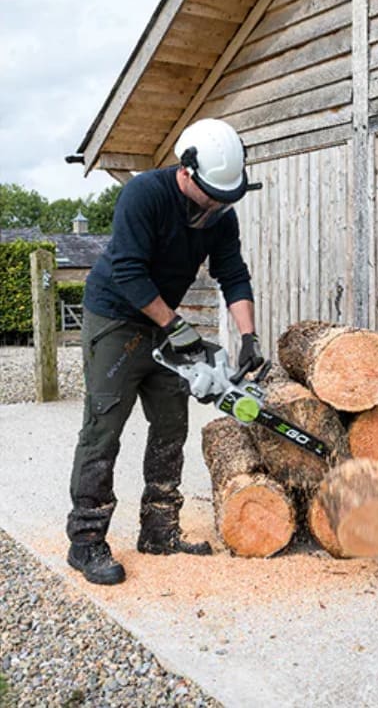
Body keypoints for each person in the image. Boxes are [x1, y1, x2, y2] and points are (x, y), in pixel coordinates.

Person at [66, 118, 264, 585]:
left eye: (226, 198)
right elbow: (131, 272)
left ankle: (159, 529)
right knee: (103, 425)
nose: (218, 205)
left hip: (163, 321)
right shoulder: (143, 196)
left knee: (172, 420)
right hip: (116, 316)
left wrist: (248, 336)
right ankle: (86, 540)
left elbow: (232, 273)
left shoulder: (220, 214)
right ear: (187, 171)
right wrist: (176, 326)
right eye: (213, 195)